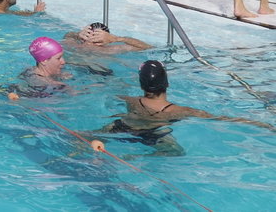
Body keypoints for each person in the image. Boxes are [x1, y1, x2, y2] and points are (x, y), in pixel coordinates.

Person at [101, 60, 273, 153]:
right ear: (167, 84)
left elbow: (110, 92)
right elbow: (222, 119)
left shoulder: (130, 100)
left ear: (141, 85)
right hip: (152, 135)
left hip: (121, 127)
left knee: (90, 137)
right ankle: (134, 158)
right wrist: (261, 124)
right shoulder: (179, 111)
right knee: (176, 152)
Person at [63, 22, 150, 53]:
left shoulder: (110, 50)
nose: (89, 44)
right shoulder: (108, 51)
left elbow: (147, 47)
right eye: (87, 38)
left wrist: (116, 38)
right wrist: (78, 35)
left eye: (95, 40)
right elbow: (68, 35)